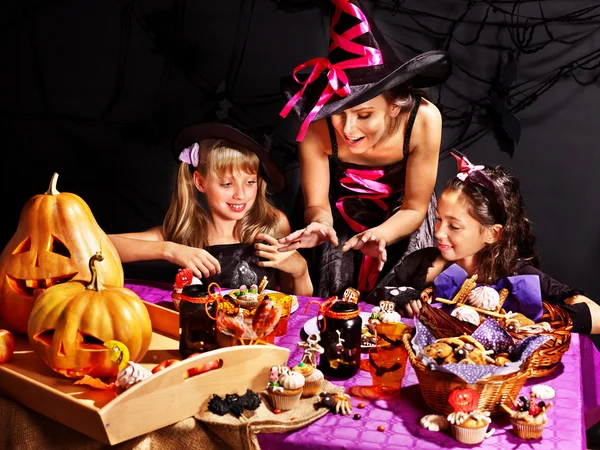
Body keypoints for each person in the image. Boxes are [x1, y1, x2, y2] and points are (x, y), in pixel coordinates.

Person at [277, 0, 452, 300]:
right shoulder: (316, 126)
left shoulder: (423, 120)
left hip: (403, 217)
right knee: (332, 306)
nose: (347, 129)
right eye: (339, 113)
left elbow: (414, 208)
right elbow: (317, 203)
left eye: (364, 115)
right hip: (336, 219)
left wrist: (381, 234)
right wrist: (320, 223)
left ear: (395, 107)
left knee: (398, 306)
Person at [382, 152, 599, 334]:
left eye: (454, 226)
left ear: (492, 234)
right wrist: (401, 296)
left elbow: (596, 314)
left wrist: (546, 324)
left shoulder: (518, 275)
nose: (439, 232)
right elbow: (378, 295)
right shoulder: (422, 262)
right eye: (439, 219)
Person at [109, 123, 313, 296]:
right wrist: (169, 250)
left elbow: (295, 302)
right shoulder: (186, 232)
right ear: (200, 182)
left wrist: (301, 271)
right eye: (227, 184)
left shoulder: (273, 224)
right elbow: (101, 244)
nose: (240, 195)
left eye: (250, 182)